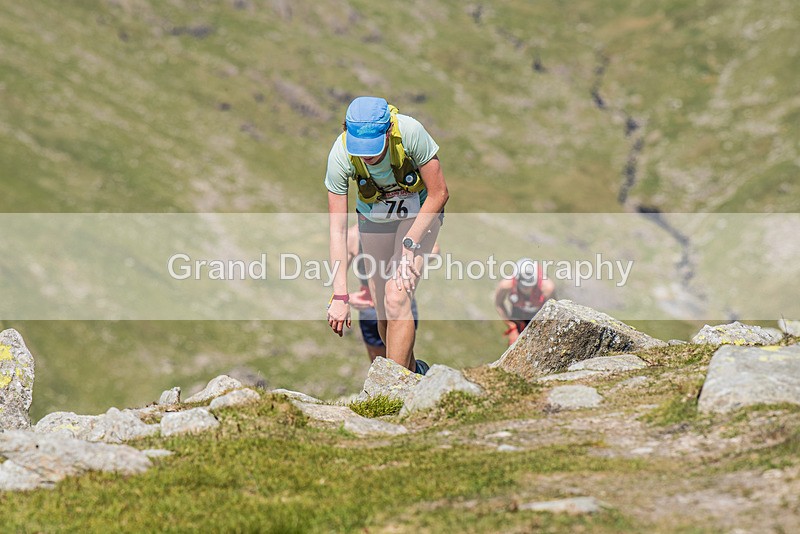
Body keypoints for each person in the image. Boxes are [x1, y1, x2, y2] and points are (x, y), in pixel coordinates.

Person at [325, 96, 448, 375]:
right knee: (383, 311)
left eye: (372, 148)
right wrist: (340, 296)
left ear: (388, 131)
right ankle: (414, 374)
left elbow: (440, 192)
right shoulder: (340, 154)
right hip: (374, 217)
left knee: (396, 296)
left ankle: (393, 392)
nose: (366, 156)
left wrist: (409, 243)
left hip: (419, 214)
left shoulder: (410, 132)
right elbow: (338, 229)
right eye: (360, 148)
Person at [346, 224, 439, 363]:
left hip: (397, 301)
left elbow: (434, 250)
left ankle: (402, 379)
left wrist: (410, 259)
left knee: (399, 359)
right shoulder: (354, 235)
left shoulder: (403, 229)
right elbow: (335, 273)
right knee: (379, 361)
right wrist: (346, 298)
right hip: (371, 307)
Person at [494, 258, 557, 345]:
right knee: (514, 342)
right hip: (517, 316)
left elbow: (554, 311)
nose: (526, 289)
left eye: (529, 286)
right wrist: (512, 326)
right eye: (523, 286)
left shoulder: (547, 288)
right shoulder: (505, 285)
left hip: (539, 317)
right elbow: (498, 304)